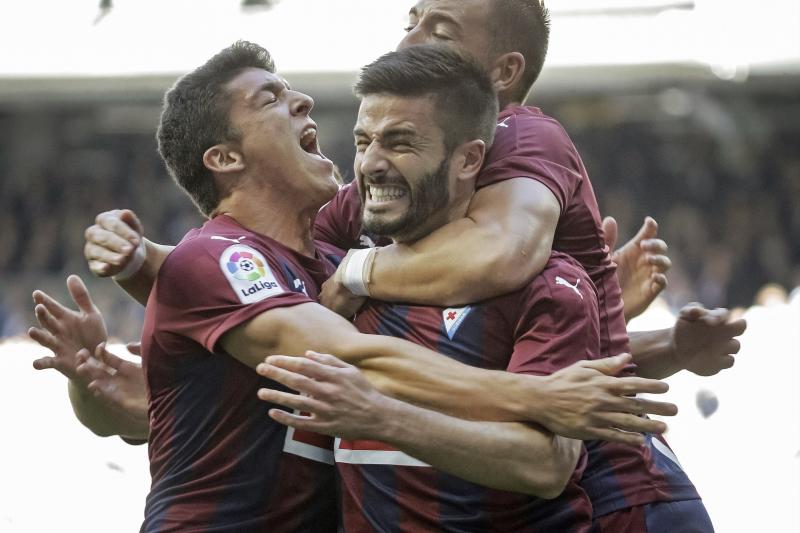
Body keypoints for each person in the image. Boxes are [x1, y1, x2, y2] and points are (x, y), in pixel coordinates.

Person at [33, 42, 681, 532]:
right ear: (225, 158)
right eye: (269, 99)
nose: (303, 102)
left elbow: (143, 406)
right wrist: (538, 394)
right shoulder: (219, 258)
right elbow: (357, 361)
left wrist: (608, 313)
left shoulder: (329, 271)